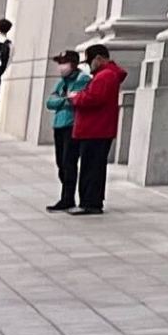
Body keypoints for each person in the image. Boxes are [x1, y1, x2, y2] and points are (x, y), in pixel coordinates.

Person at [67, 45, 126, 215]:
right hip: (98, 129)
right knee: (93, 167)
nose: (89, 66)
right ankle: (91, 201)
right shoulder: (106, 75)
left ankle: (89, 202)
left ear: (99, 58)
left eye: (90, 61)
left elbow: (93, 99)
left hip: (95, 129)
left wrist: (76, 98)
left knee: (91, 167)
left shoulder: (105, 76)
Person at [44, 51, 85, 211]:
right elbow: (50, 102)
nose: (61, 67)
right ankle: (66, 195)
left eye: (64, 63)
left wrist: (65, 100)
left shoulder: (82, 80)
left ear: (73, 64)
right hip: (59, 125)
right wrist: (64, 99)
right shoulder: (62, 82)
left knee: (69, 162)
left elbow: (75, 100)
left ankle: (67, 198)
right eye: (60, 63)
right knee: (60, 162)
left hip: (71, 125)